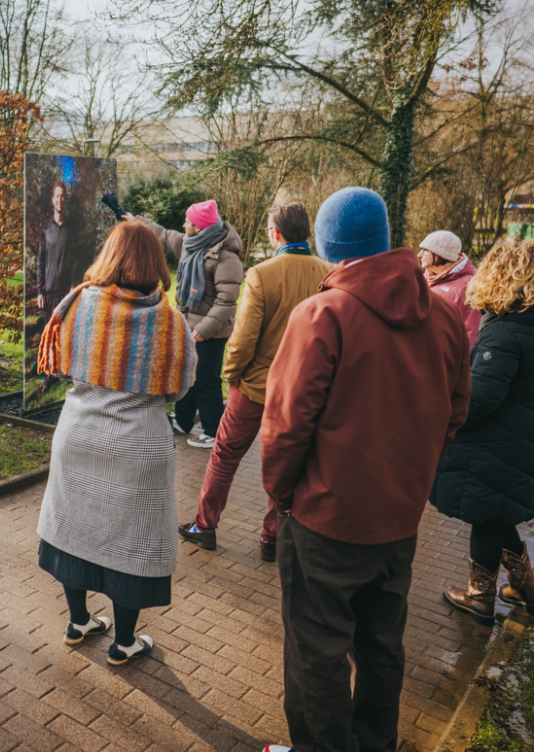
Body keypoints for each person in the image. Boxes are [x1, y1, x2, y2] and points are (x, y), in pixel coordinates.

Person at [258, 187, 471, 752]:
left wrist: (282, 492)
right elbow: (455, 412)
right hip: (399, 517)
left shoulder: (321, 315)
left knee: (317, 647)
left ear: (330, 246)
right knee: (381, 643)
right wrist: (412, 474)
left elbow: (287, 423)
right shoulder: (443, 315)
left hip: (326, 516)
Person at [35, 220, 197, 666]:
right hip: (139, 446)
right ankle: (124, 643)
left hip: (78, 432)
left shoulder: (78, 306)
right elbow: (182, 386)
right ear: (155, 263)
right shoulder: (170, 320)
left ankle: (78, 621)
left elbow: (64, 362)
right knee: (134, 542)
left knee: (74, 529)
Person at [430, 239, 534, 625]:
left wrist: (441, 419)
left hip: (494, 443)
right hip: (530, 437)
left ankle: (480, 596)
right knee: (498, 511)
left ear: (500, 273)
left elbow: (479, 400)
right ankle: (525, 588)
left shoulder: (505, 331)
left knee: (487, 514)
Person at [179, 202, 329, 558]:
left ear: (276, 233)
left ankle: (205, 525)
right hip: (302, 389)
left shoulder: (262, 273)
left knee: (225, 455)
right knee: (289, 462)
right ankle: (272, 537)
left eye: (267, 229)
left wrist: (231, 375)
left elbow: (244, 338)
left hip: (255, 386)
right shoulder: (328, 272)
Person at [125, 200, 244, 449]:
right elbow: (162, 234)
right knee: (188, 374)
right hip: (189, 326)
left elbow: (227, 301)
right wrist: (135, 219)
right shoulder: (189, 245)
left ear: (199, 227)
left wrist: (204, 329)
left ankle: (213, 432)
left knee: (206, 380)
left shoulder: (226, 257)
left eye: (187, 222)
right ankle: (183, 420)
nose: (183, 225)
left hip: (211, 332)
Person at [419, 230, 481, 345]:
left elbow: (471, 333)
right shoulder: (424, 279)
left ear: (440, 254)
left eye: (425, 250)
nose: (420, 255)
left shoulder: (468, 287)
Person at [35, 180, 77, 314]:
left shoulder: (71, 229)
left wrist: (73, 286)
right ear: (53, 200)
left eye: (62, 196)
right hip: (49, 294)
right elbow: (40, 261)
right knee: (49, 334)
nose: (60, 199)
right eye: (57, 196)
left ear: (65, 200)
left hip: (66, 295)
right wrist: (40, 291)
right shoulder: (46, 230)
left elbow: (75, 261)